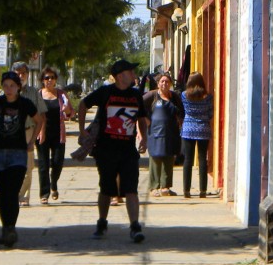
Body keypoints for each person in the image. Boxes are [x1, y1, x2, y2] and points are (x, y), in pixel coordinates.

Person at [77, 60, 148, 242]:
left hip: (128, 150)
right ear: (119, 76)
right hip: (106, 150)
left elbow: (141, 118)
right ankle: (102, 222)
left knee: (131, 189)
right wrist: (82, 129)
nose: (133, 74)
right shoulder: (105, 92)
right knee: (106, 188)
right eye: (130, 71)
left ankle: (135, 226)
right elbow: (83, 105)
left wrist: (144, 138)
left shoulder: (135, 95)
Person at [0, 71, 44, 247]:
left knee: (12, 192)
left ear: (18, 88)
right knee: (2, 192)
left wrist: (32, 141)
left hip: (18, 152)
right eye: (6, 86)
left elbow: (39, 120)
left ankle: (11, 228)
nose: (9, 89)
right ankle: (5, 227)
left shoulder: (25, 104)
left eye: (12, 86)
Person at [34, 66, 75, 203]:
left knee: (57, 162)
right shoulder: (38, 95)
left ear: (55, 79)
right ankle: (44, 194)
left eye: (52, 77)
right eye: (46, 78)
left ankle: (54, 184)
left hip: (58, 134)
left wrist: (67, 108)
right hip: (42, 133)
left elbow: (70, 113)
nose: (49, 80)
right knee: (43, 164)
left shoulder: (62, 94)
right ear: (42, 80)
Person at [143, 73, 183, 197]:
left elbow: (181, 111)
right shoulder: (152, 95)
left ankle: (165, 187)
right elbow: (139, 106)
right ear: (158, 83)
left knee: (169, 157)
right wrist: (146, 121)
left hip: (171, 132)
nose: (164, 84)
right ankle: (154, 187)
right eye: (162, 81)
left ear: (170, 83)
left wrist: (180, 122)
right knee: (155, 157)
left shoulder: (174, 96)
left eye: (167, 82)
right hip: (155, 132)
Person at [180, 72, 215, 199]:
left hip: (188, 128)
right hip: (203, 129)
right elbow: (210, 113)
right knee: (202, 160)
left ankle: (186, 190)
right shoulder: (208, 96)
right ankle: (203, 190)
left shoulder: (184, 95)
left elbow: (183, 111)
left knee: (188, 160)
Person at [12, 60, 39, 205]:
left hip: (28, 131)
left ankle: (23, 197)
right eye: (18, 73)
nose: (21, 76)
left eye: (24, 73)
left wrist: (39, 133)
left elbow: (41, 116)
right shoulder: (8, 91)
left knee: (28, 166)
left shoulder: (33, 93)